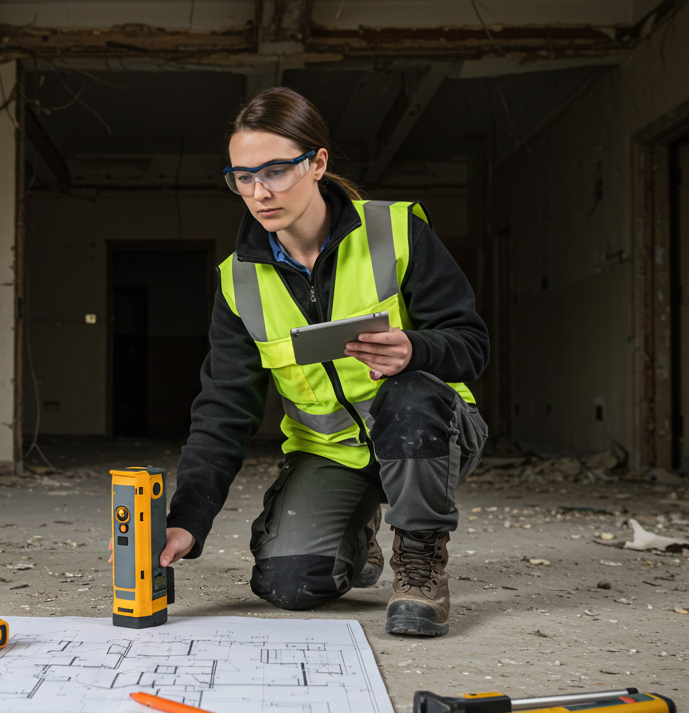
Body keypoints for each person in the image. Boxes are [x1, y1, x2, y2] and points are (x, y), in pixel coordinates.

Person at [160, 87, 489, 637]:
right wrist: (188, 520)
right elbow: (224, 408)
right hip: (330, 452)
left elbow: (471, 343)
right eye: (243, 176)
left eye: (276, 171)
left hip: (433, 433)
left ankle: (421, 560)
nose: (259, 192)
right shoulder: (239, 280)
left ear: (318, 163)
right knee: (287, 587)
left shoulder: (396, 231)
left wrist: (417, 348)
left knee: (409, 393)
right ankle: (356, 532)